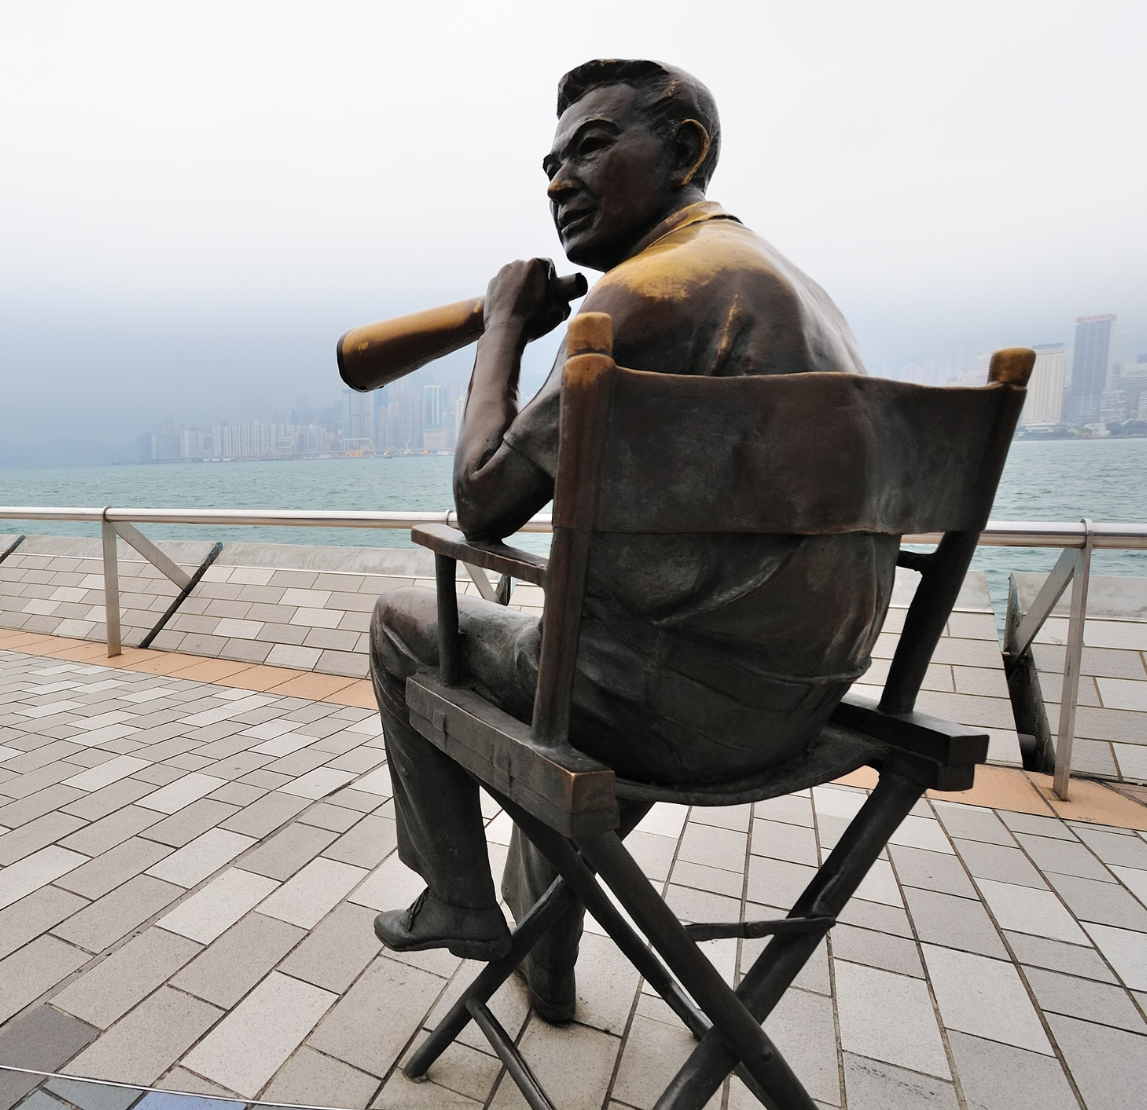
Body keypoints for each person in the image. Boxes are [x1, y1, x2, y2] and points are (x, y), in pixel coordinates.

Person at [368, 59, 896, 1023]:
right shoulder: (795, 290)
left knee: (406, 622)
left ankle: (459, 898)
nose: (558, 180)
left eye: (593, 147)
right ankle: (547, 954)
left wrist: (502, 326)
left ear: (687, 149)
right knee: (573, 675)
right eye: (549, 163)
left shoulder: (648, 295)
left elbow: (482, 502)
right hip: (804, 698)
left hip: (684, 713)